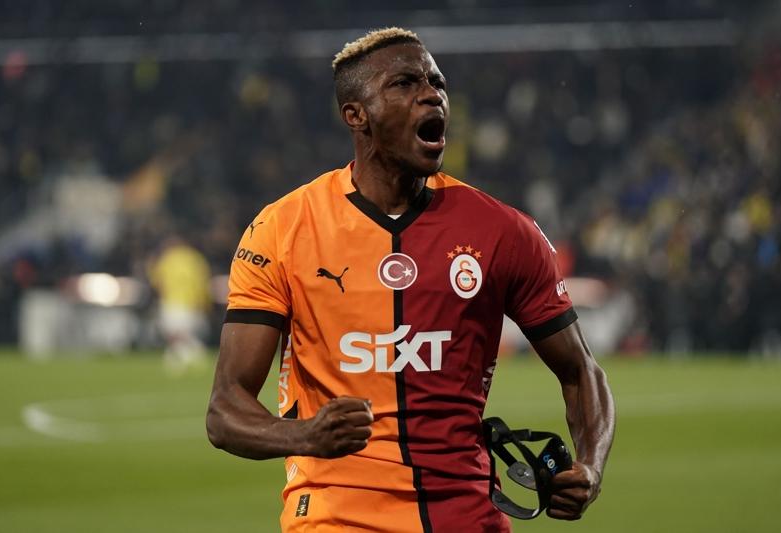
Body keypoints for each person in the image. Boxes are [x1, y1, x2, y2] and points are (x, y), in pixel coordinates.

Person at [206, 27, 615, 532]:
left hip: (466, 515)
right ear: (356, 115)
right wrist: (305, 436)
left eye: (437, 83)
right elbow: (225, 410)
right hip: (336, 517)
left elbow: (580, 371)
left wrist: (590, 466)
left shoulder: (503, 231)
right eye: (404, 83)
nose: (431, 94)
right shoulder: (283, 229)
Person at [148, 235, 212, 374]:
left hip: (172, 301)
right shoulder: (195, 258)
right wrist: (204, 301)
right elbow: (203, 281)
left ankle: (195, 354)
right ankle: (177, 358)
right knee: (180, 333)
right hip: (192, 302)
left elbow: (157, 280)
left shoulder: (167, 258)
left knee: (175, 333)